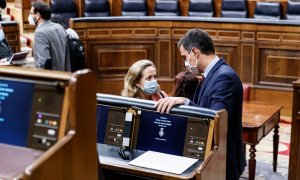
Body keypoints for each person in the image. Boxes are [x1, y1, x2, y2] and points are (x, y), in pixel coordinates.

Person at [154, 29, 246, 180]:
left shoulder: (224, 77)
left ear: (195, 52)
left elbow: (216, 119)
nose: (185, 63)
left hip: (222, 162)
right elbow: (204, 107)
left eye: (185, 56)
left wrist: (185, 102)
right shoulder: (211, 74)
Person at [28, 1, 71, 71]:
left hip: (51, 78)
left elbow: (44, 63)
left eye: (31, 13)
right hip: (65, 74)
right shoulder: (59, 27)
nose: (29, 15)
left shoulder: (40, 33)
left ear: (37, 16)